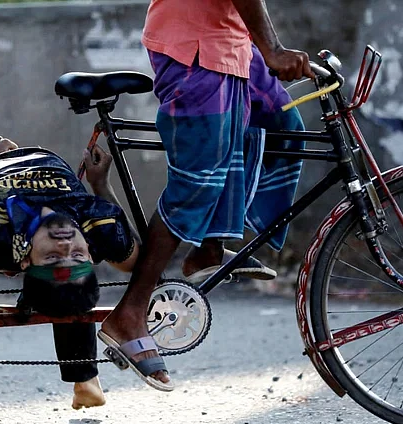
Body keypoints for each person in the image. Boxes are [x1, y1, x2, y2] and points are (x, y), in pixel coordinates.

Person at [98, 0, 314, 392]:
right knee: (196, 182)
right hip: (194, 47)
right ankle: (129, 312)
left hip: (231, 42)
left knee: (282, 127)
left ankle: (207, 250)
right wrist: (274, 49)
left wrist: (264, 48)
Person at [0, 137, 139, 410]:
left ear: (26, 261)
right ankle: (86, 377)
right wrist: (101, 184)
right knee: (72, 291)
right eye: (77, 255)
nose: (65, 244)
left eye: (53, 256)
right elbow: (132, 260)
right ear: (91, 255)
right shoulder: (99, 227)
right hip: (47, 164)